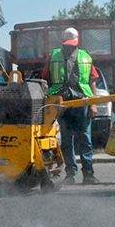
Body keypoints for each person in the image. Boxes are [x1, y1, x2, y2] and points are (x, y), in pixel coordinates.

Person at [42, 27, 100, 185]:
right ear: (63, 42)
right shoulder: (53, 56)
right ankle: (70, 174)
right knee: (66, 141)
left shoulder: (85, 57)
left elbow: (92, 80)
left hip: (82, 102)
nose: (69, 47)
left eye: (72, 44)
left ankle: (88, 174)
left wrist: (93, 104)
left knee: (85, 139)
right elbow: (45, 79)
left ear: (77, 42)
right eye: (67, 44)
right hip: (62, 104)